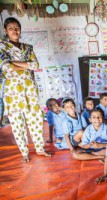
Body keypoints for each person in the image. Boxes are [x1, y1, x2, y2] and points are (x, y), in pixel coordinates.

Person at [0, 17, 51, 162]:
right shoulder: (1, 47)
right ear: (5, 31)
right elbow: (5, 67)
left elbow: (35, 65)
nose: (14, 30)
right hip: (12, 91)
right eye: (11, 28)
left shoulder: (28, 47)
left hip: (29, 88)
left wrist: (14, 63)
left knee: (35, 119)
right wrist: (26, 64)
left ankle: (40, 149)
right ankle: (24, 152)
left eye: (17, 28)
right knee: (17, 123)